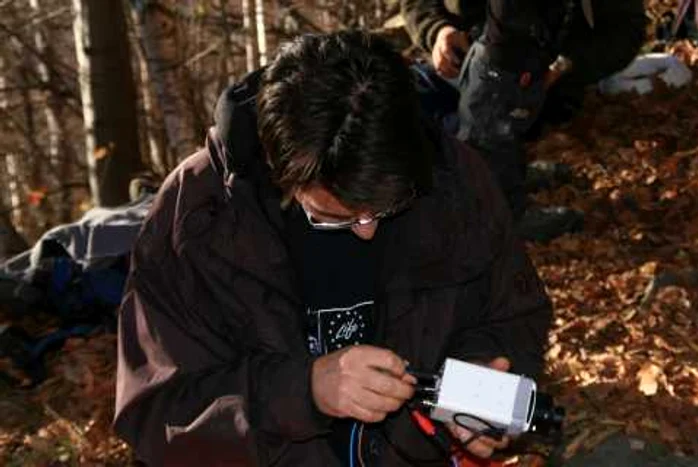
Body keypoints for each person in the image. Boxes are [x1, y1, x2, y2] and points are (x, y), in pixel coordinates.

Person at [113, 31, 553, 466]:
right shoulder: (199, 216)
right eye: (333, 217)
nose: (365, 232)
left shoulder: (454, 180)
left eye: (388, 207)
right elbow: (158, 415)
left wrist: (476, 385)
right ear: (281, 172)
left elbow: (513, 316)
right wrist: (304, 392)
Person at [402, 0, 646, 239]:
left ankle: (500, 199)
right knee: (391, 107)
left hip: (535, 83)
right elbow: (417, 5)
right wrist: (438, 31)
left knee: (482, 133)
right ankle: (504, 173)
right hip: (460, 64)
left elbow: (626, 32)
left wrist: (565, 65)